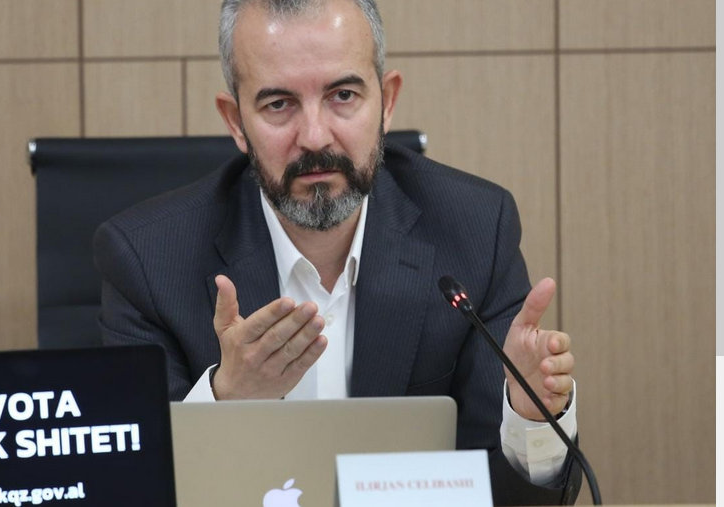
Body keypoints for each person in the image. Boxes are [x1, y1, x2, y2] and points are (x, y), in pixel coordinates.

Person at [94, 0, 581, 504]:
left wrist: (530, 418)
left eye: (342, 95)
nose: (314, 137)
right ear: (236, 121)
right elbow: (128, 487)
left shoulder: (474, 231)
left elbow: (518, 497)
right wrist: (228, 399)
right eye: (278, 104)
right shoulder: (146, 258)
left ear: (387, 102)